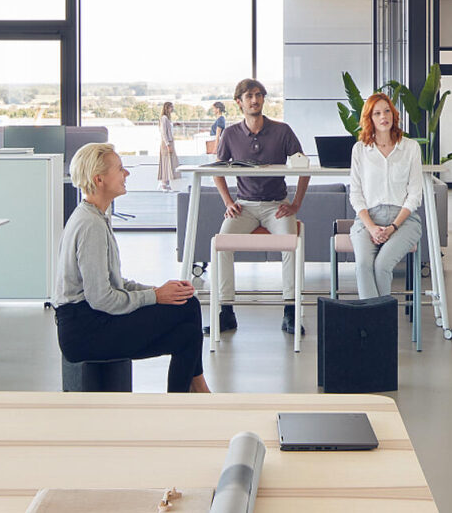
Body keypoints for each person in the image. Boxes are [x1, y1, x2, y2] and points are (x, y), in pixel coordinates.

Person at [53, 142, 210, 393]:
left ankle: (188, 398)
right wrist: (155, 297)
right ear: (99, 179)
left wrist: (159, 291)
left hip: (91, 319)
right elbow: (102, 299)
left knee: (186, 322)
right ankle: (198, 393)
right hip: (84, 329)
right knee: (187, 314)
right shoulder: (90, 226)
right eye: (120, 169)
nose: (126, 174)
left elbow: (115, 282)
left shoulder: (95, 216)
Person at [210, 78, 309, 335]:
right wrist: (228, 202)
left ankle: (290, 311)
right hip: (244, 206)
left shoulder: (282, 130)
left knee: (291, 247)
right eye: (249, 96)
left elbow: (304, 167)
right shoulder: (231, 134)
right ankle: (226, 311)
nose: (255, 100)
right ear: (239, 102)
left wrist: (296, 203)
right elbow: (217, 171)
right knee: (221, 245)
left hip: (277, 205)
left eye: (258, 95)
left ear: (263, 99)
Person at [348, 92, 423, 298]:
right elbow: (355, 194)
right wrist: (372, 228)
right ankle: (377, 326)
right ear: (369, 119)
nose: (384, 117)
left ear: (394, 114)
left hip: (404, 221)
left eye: (387, 111)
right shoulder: (360, 150)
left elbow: (415, 194)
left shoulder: (410, 148)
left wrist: (392, 228)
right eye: (377, 113)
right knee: (363, 265)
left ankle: (375, 326)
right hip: (367, 221)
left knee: (381, 266)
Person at [157, 101, 179, 192]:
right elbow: (163, 133)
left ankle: (166, 183)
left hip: (169, 142)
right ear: (167, 108)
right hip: (167, 143)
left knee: (169, 162)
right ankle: (164, 184)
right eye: (171, 107)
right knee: (166, 162)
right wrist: (168, 144)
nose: (172, 109)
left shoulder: (167, 119)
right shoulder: (164, 118)